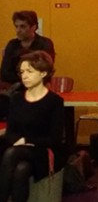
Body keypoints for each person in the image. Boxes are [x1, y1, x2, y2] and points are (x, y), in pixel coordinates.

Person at [0, 51, 64, 202]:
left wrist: (27, 140)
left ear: (43, 73)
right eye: (22, 72)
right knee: (21, 169)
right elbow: (11, 132)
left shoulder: (54, 101)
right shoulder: (16, 99)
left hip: (42, 152)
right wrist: (20, 141)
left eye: (30, 71)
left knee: (11, 154)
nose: (24, 76)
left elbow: (55, 139)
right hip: (19, 149)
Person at [1, 11, 56, 88]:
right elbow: (5, 73)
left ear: (33, 27)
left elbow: (46, 70)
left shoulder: (45, 43)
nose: (18, 30)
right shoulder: (12, 45)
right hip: (15, 88)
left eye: (22, 26)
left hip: (38, 87)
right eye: (16, 26)